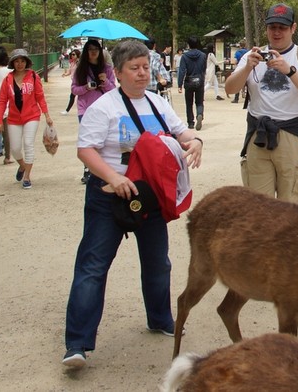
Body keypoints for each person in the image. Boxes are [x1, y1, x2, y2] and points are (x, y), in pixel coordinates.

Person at [62, 39, 203, 370]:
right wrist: (113, 177)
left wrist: (196, 141)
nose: (142, 74)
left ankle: (159, 318)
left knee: (158, 262)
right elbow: (86, 150)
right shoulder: (104, 107)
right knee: (93, 265)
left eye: (145, 68)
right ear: (119, 72)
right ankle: (77, 343)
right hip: (109, 196)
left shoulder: (158, 104)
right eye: (134, 69)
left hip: (149, 196)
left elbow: (183, 134)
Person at [224, 4, 298, 207]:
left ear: (293, 28)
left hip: (292, 138)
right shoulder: (250, 57)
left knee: (289, 207)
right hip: (258, 137)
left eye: (282, 27)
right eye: (272, 27)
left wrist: (290, 71)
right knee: (259, 207)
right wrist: (246, 68)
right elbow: (230, 89)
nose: (277, 32)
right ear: (266, 29)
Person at [0, 49, 54, 189]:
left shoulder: (33, 76)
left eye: (22, 61)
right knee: (15, 148)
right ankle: (22, 166)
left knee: (28, 144)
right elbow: (2, 101)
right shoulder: (8, 79)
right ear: (13, 63)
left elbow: (40, 96)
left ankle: (27, 176)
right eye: (17, 61)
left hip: (32, 115)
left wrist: (46, 114)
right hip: (14, 118)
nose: (20, 64)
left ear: (26, 62)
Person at [70, 39, 117, 183]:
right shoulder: (81, 69)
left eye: (96, 48)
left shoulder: (107, 68)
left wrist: (105, 81)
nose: (93, 52)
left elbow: (113, 89)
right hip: (86, 109)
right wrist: (86, 88)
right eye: (90, 49)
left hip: (104, 109)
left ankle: (101, 170)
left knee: (103, 140)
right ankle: (88, 170)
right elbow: (74, 89)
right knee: (88, 141)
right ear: (86, 52)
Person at [179, 37, 207, 130]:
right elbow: (204, 68)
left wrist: (180, 84)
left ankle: (190, 122)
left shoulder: (184, 56)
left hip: (189, 81)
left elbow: (182, 71)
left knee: (189, 103)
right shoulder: (203, 55)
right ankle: (199, 114)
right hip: (199, 80)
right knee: (199, 102)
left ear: (189, 45)